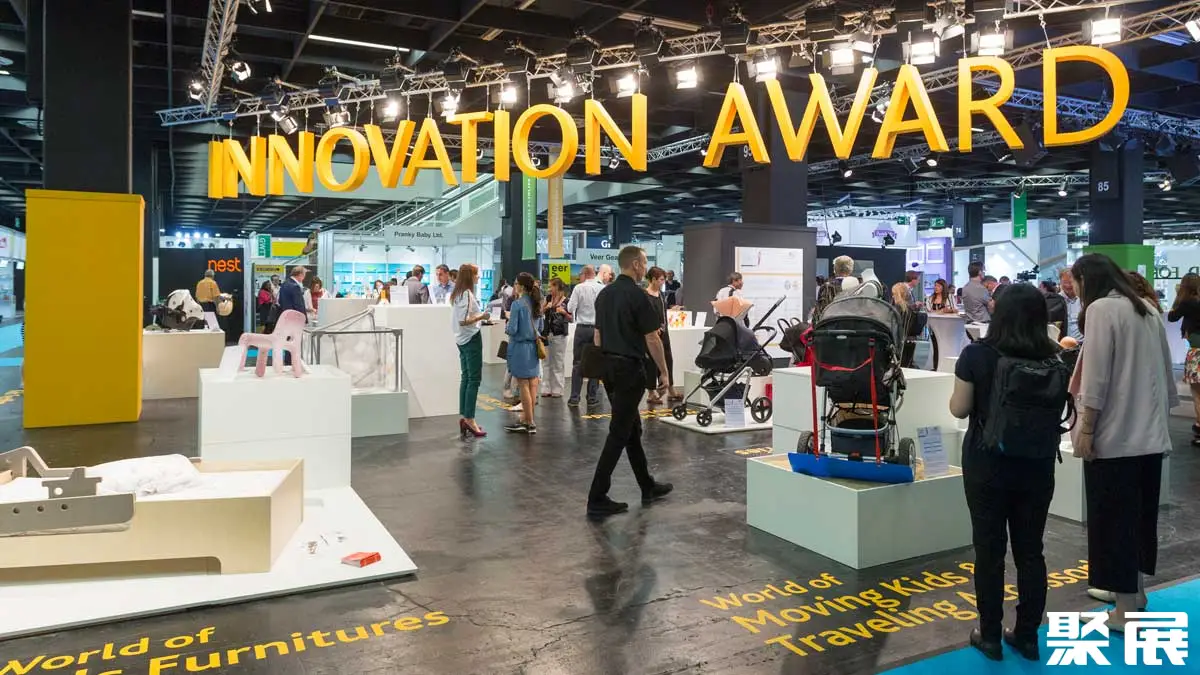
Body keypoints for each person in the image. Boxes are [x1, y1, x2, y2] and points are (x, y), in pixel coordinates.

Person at [949, 283, 1062, 662]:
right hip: (1038, 465)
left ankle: (991, 635)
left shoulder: (977, 354)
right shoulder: (1054, 357)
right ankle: (1028, 636)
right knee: (1031, 552)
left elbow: (959, 409)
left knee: (989, 551)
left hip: (987, 465)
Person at [1071, 254, 1176, 631]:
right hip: (1149, 438)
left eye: (1076, 282)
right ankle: (1133, 594)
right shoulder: (1147, 309)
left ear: (1087, 280)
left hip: (1114, 439)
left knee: (1113, 523)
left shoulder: (1101, 310)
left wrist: (1086, 429)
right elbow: (1167, 376)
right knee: (1138, 521)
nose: (1075, 290)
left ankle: (1125, 611)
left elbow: (1096, 378)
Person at [589, 246, 673, 519]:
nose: (645, 268)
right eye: (644, 263)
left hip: (610, 370)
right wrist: (664, 372)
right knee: (619, 432)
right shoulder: (638, 296)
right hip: (629, 370)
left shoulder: (604, 295)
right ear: (635, 264)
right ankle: (597, 496)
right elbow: (652, 338)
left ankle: (646, 485)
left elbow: (598, 337)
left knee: (631, 429)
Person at [452, 264, 488, 438]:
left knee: (466, 377)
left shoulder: (457, 293)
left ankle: (466, 416)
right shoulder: (466, 294)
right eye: (476, 274)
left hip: (461, 339)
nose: (478, 277)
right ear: (470, 276)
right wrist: (482, 316)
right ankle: (470, 418)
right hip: (471, 338)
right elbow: (463, 320)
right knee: (474, 379)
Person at [504, 273, 543, 434]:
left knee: (523, 385)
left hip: (520, 348)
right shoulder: (536, 304)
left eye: (515, 283)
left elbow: (512, 329)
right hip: (533, 348)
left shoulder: (517, 304)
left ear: (521, 286)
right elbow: (540, 328)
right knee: (532, 384)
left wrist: (507, 324)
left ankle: (529, 422)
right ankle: (527, 419)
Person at [1168, 272, 1200, 446]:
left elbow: (1172, 316)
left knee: (1197, 394)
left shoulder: (1187, 303)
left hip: (1196, 351)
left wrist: (1178, 297)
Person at [567, 265, 604, 407]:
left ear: (584, 274)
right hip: (597, 329)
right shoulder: (602, 288)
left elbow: (570, 308)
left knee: (577, 363)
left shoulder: (579, 288)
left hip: (582, 329)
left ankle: (574, 398)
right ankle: (592, 397)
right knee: (595, 363)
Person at [644, 267, 674, 405]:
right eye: (661, 279)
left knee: (668, 358)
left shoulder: (661, 295)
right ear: (653, 279)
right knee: (651, 362)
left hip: (664, 332)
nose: (663, 282)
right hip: (651, 332)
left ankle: (670, 388)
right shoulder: (645, 295)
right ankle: (651, 392)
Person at [540, 278, 571, 398]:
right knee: (546, 361)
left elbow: (572, 318)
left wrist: (564, 313)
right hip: (547, 333)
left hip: (559, 334)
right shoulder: (548, 298)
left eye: (551, 287)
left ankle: (557, 388)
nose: (549, 289)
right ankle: (546, 387)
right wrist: (545, 308)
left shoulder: (566, 301)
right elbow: (540, 312)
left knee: (558, 362)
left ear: (557, 287)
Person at [278, 266, 308, 366]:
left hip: (286, 317)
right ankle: (293, 363)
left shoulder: (284, 284)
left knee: (288, 340)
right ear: (300, 274)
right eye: (304, 274)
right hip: (295, 319)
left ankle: (288, 361)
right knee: (294, 341)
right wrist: (304, 319)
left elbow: (280, 301)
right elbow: (299, 305)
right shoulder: (295, 286)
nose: (304, 277)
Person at [814, 255, 855, 322]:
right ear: (851, 270)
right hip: (853, 325)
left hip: (830, 325)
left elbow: (819, 314)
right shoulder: (858, 287)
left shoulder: (826, 287)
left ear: (835, 269)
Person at [891, 282, 919, 368]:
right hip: (908, 339)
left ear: (898, 294)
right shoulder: (909, 308)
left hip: (898, 341)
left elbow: (894, 327)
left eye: (894, 294)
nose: (892, 296)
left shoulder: (896, 308)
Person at [1059, 267, 1083, 341]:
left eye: (1071, 282)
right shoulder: (1056, 301)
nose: (1068, 285)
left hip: (1082, 343)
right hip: (1061, 344)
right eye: (1065, 282)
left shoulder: (1083, 300)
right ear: (1060, 282)